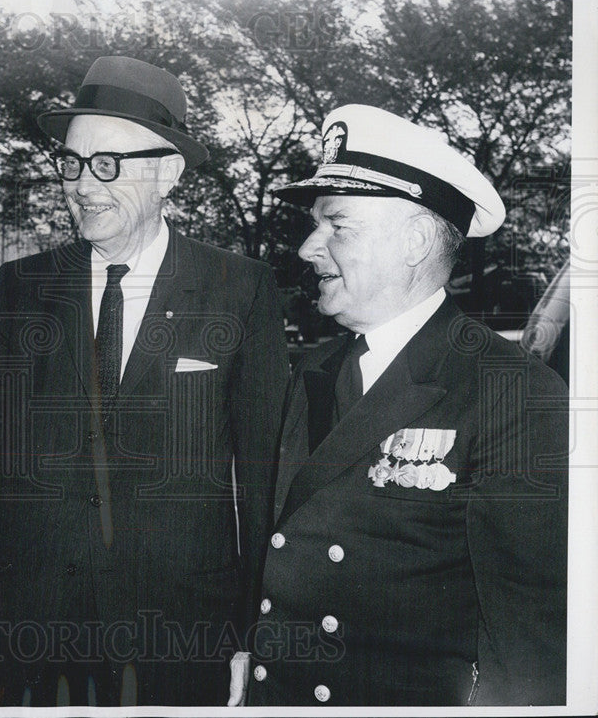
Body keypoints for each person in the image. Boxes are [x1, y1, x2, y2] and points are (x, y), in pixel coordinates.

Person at [0, 56, 289, 706]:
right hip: (24, 636)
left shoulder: (240, 292)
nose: (83, 183)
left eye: (107, 163)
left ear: (168, 170)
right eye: (74, 163)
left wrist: (250, 635)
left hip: (176, 643)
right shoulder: (20, 287)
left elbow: (263, 479)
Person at [228, 105, 568, 707]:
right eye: (315, 226)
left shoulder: (512, 392)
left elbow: (531, 638)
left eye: (338, 225)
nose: (310, 247)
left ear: (413, 241)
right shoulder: (314, 369)